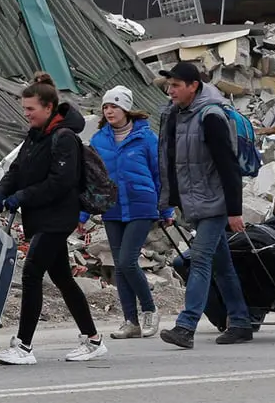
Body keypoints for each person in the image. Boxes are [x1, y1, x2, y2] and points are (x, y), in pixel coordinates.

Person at [0, 72, 107, 365]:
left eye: (31, 109)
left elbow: (60, 182)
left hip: (58, 217)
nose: (26, 114)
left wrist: (22, 197)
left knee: (31, 274)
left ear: (49, 107)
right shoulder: (35, 136)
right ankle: (93, 340)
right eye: (25, 108)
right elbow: (16, 170)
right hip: (40, 217)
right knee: (62, 277)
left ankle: (24, 346)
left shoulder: (64, 138)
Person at [156, 62, 253, 348]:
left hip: (215, 202)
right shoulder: (176, 115)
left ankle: (186, 326)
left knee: (199, 259)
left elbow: (228, 166)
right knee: (222, 266)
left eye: (175, 85)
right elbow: (171, 162)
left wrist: (235, 210)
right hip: (194, 202)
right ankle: (240, 321)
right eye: (169, 85)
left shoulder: (210, 116)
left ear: (193, 86)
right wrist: (170, 202)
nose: (170, 91)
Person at [86, 86, 171, 339]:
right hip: (112, 207)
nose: (109, 110)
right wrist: (83, 214)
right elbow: (92, 179)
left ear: (126, 109)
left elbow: (160, 175)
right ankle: (130, 321)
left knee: (127, 260)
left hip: (141, 205)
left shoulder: (146, 137)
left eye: (114, 106)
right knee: (119, 266)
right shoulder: (99, 140)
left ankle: (149, 310)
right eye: (106, 106)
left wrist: (165, 208)